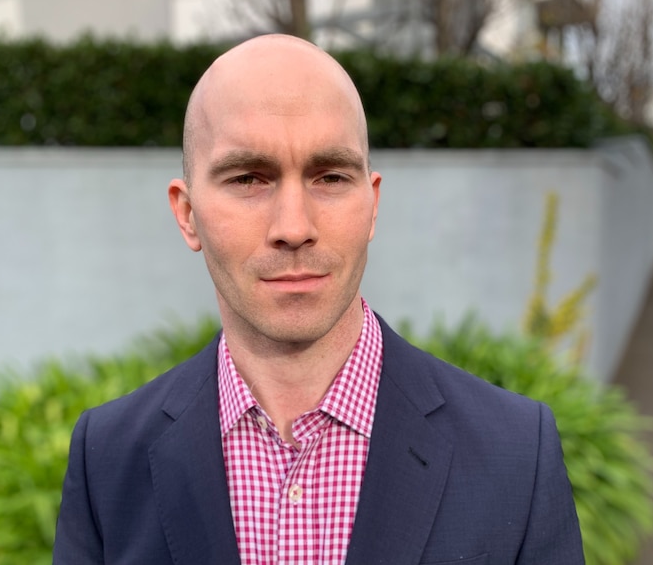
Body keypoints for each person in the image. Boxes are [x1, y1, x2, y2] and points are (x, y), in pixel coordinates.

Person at [53, 34, 584, 565]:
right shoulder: (107, 458)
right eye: (248, 178)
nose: (294, 227)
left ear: (372, 205)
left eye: (330, 176)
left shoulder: (517, 456)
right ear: (187, 213)